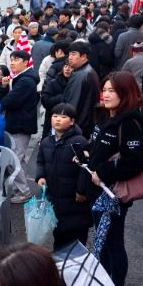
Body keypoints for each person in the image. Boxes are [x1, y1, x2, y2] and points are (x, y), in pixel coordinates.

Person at [83, 71, 143, 286]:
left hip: (112, 196)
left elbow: (135, 161)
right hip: (98, 193)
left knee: (113, 244)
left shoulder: (129, 122)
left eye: (113, 91)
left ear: (125, 94)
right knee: (105, 242)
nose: (106, 94)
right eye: (105, 89)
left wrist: (104, 171)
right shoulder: (109, 116)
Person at [35, 103, 91, 249]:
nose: (58, 120)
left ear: (72, 121)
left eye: (63, 116)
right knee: (58, 234)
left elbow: (85, 169)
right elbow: (40, 161)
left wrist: (81, 190)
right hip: (54, 195)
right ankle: (60, 267)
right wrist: (40, 176)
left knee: (76, 238)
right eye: (55, 116)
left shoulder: (79, 142)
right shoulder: (47, 142)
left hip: (74, 199)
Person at [0, 49, 39, 202]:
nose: (12, 63)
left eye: (15, 60)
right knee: (18, 159)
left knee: (13, 159)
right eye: (11, 60)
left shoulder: (25, 81)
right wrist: (4, 87)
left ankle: (24, 192)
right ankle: (18, 188)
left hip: (20, 125)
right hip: (19, 123)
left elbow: (10, 101)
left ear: (25, 62)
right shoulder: (22, 78)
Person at [64, 40, 102, 137]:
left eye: (73, 54)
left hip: (78, 127)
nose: (70, 57)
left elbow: (72, 104)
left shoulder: (80, 75)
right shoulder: (88, 71)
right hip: (86, 125)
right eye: (69, 54)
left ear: (84, 56)